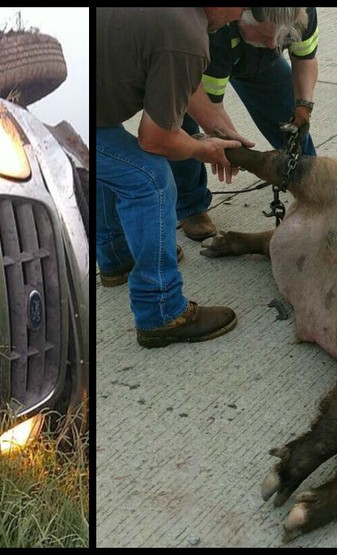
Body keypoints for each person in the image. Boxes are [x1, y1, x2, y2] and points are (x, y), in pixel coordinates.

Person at [96, 7, 248, 348]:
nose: (239, 15)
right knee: (149, 178)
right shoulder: (187, 33)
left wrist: (217, 129)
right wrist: (202, 149)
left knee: (120, 163)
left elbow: (181, 78)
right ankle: (161, 311)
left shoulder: (178, 21)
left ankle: (117, 260)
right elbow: (156, 139)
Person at [173, 7, 320, 240]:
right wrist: (232, 147)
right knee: (180, 119)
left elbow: (305, 58)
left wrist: (303, 106)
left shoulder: (300, 13)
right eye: (264, 36)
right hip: (203, 59)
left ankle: (311, 182)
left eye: (281, 38)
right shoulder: (217, 31)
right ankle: (190, 205)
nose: (273, 45)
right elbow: (212, 109)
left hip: (258, 61)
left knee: (287, 112)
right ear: (241, 15)